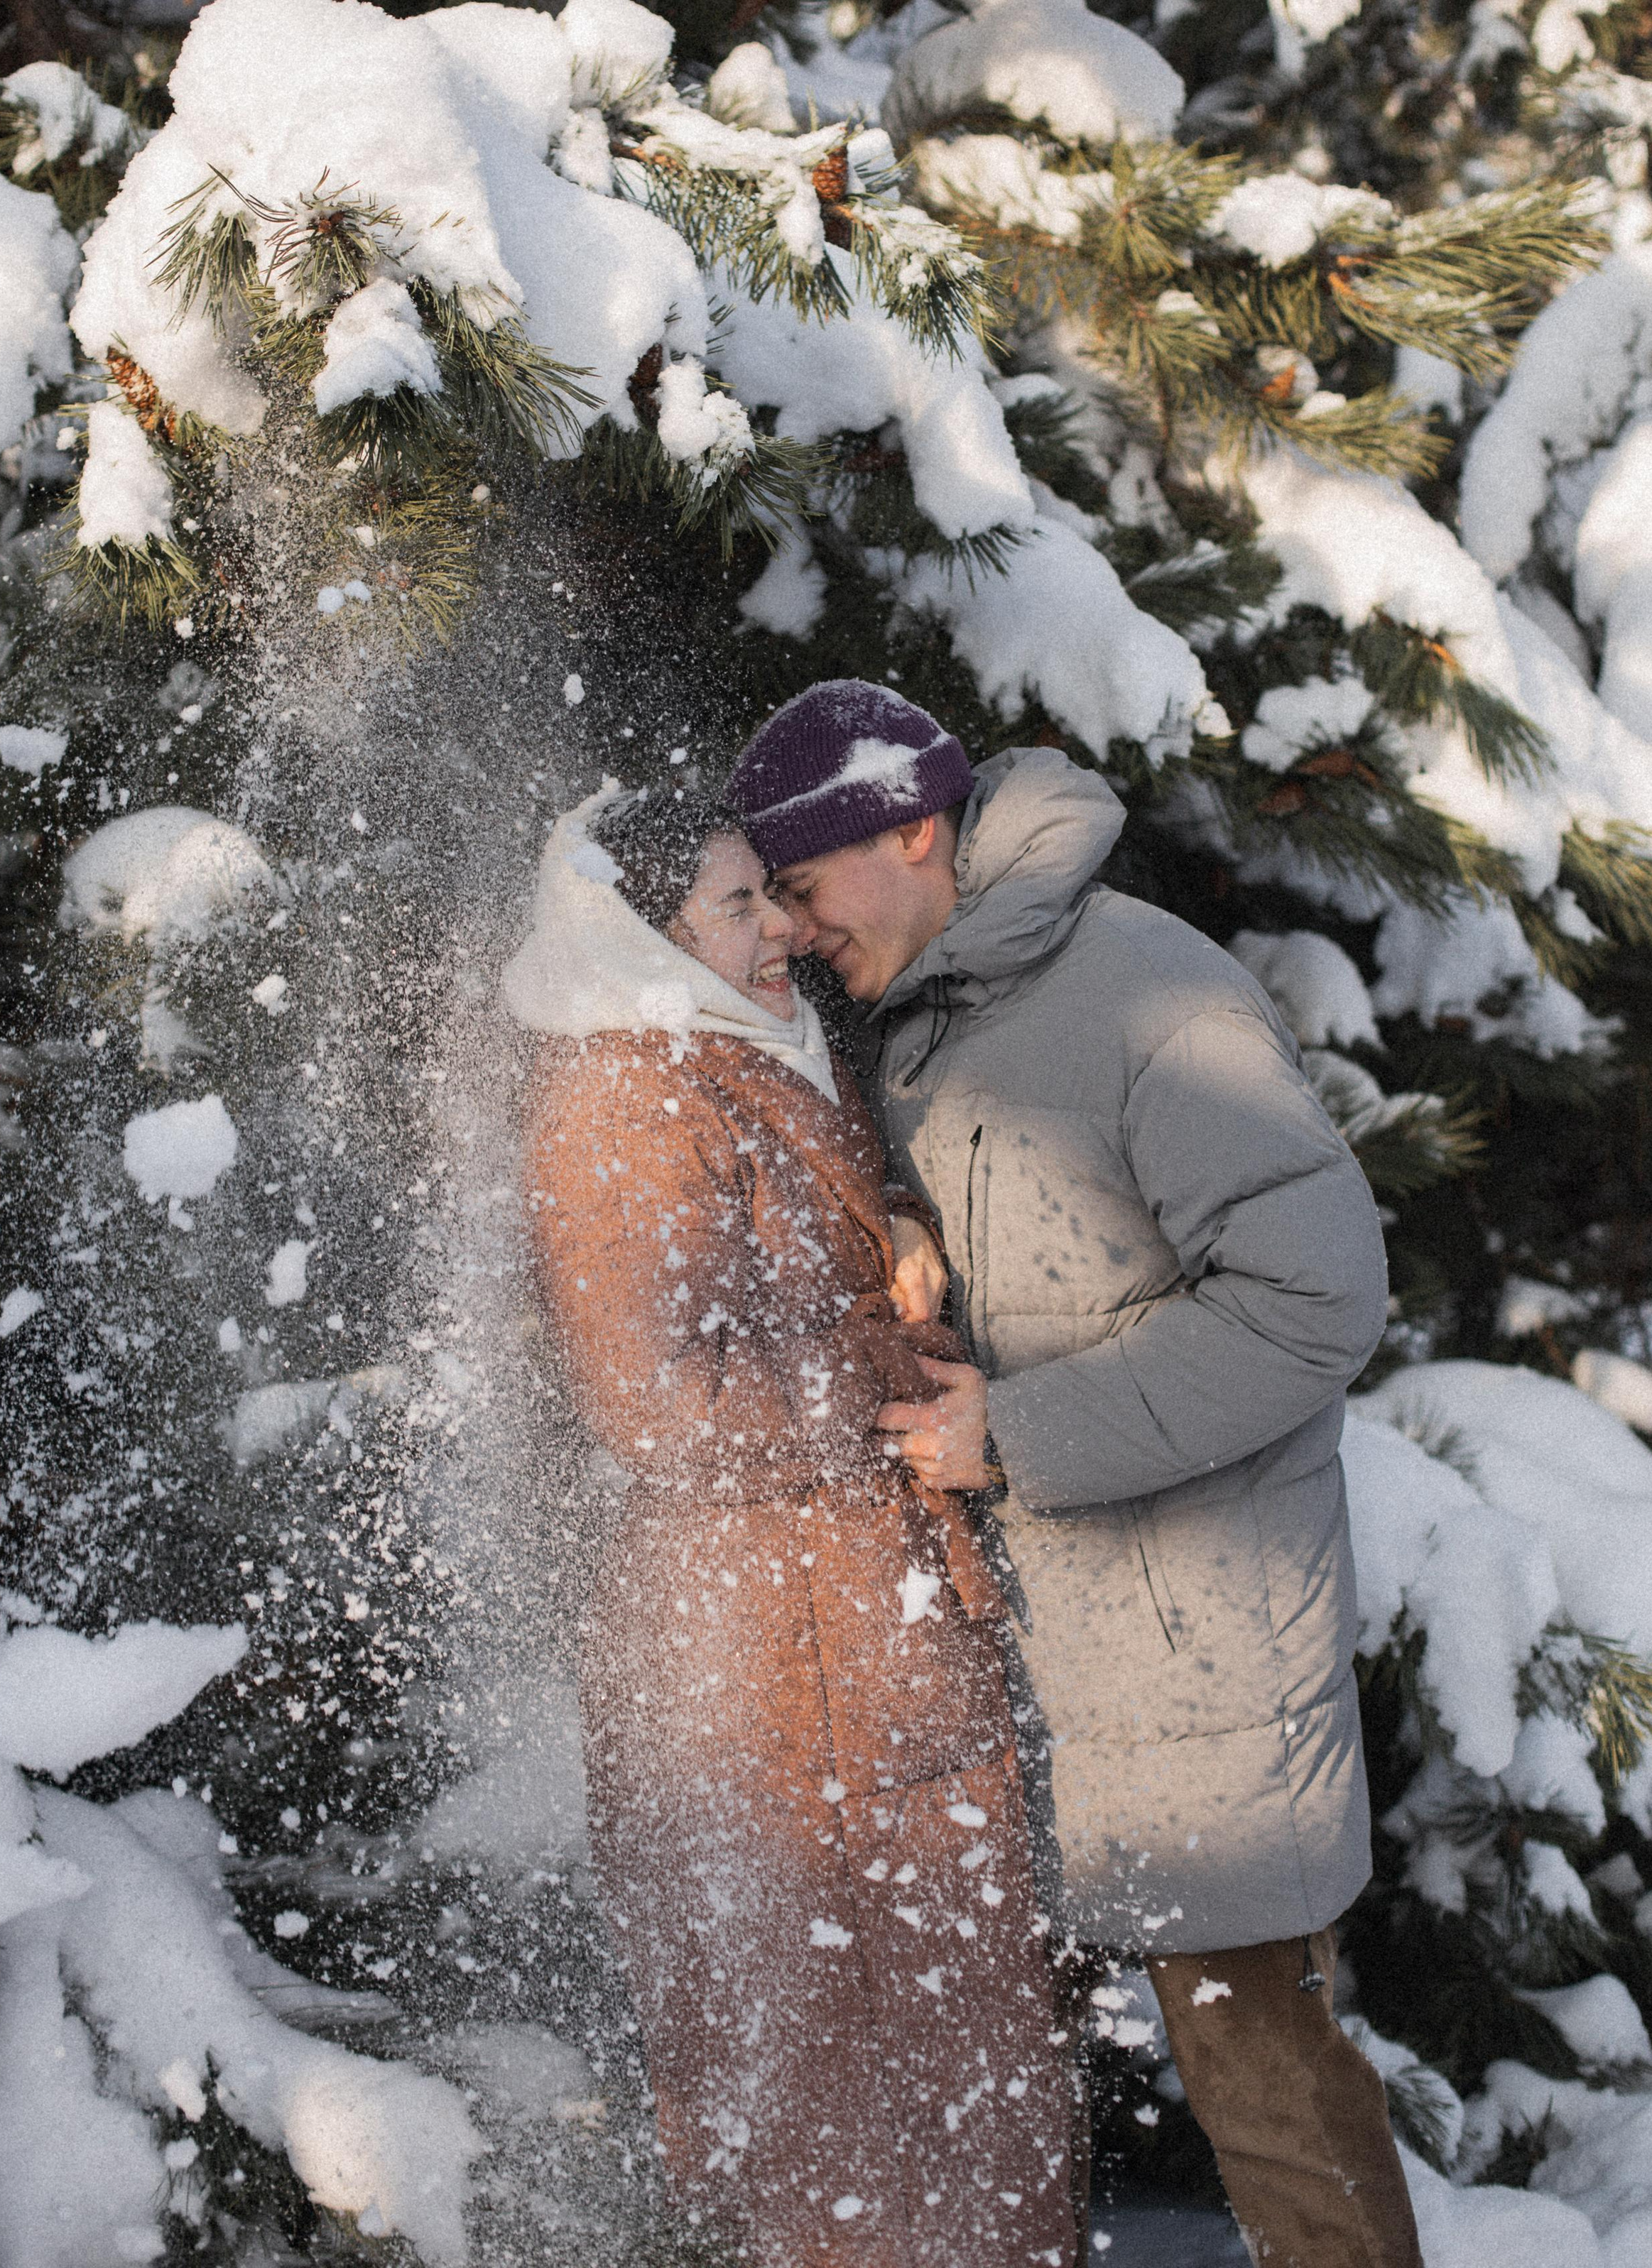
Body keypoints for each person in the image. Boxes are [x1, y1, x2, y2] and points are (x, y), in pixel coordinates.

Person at [728, 682, 1425, 2268]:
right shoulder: (927, 1011)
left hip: (1198, 1670)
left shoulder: (1146, 998)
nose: (793, 931)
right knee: (995, 2091)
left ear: (912, 831)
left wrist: (1020, 1433)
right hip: (1019, 1663)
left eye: (805, 886)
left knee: (1263, 2084)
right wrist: (905, 1229)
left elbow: (1314, 1303)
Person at [505, 783, 1077, 2268]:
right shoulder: (625, 1095)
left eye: (772, 894)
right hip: (767, 1672)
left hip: (849, 1642)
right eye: (735, 904)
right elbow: (659, 1407)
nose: (783, 930)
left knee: (938, 2054)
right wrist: (888, 1359)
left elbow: (786, 1244)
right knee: (840, 2082)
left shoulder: (743, 1053)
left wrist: (895, 1226)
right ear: (641, 935)